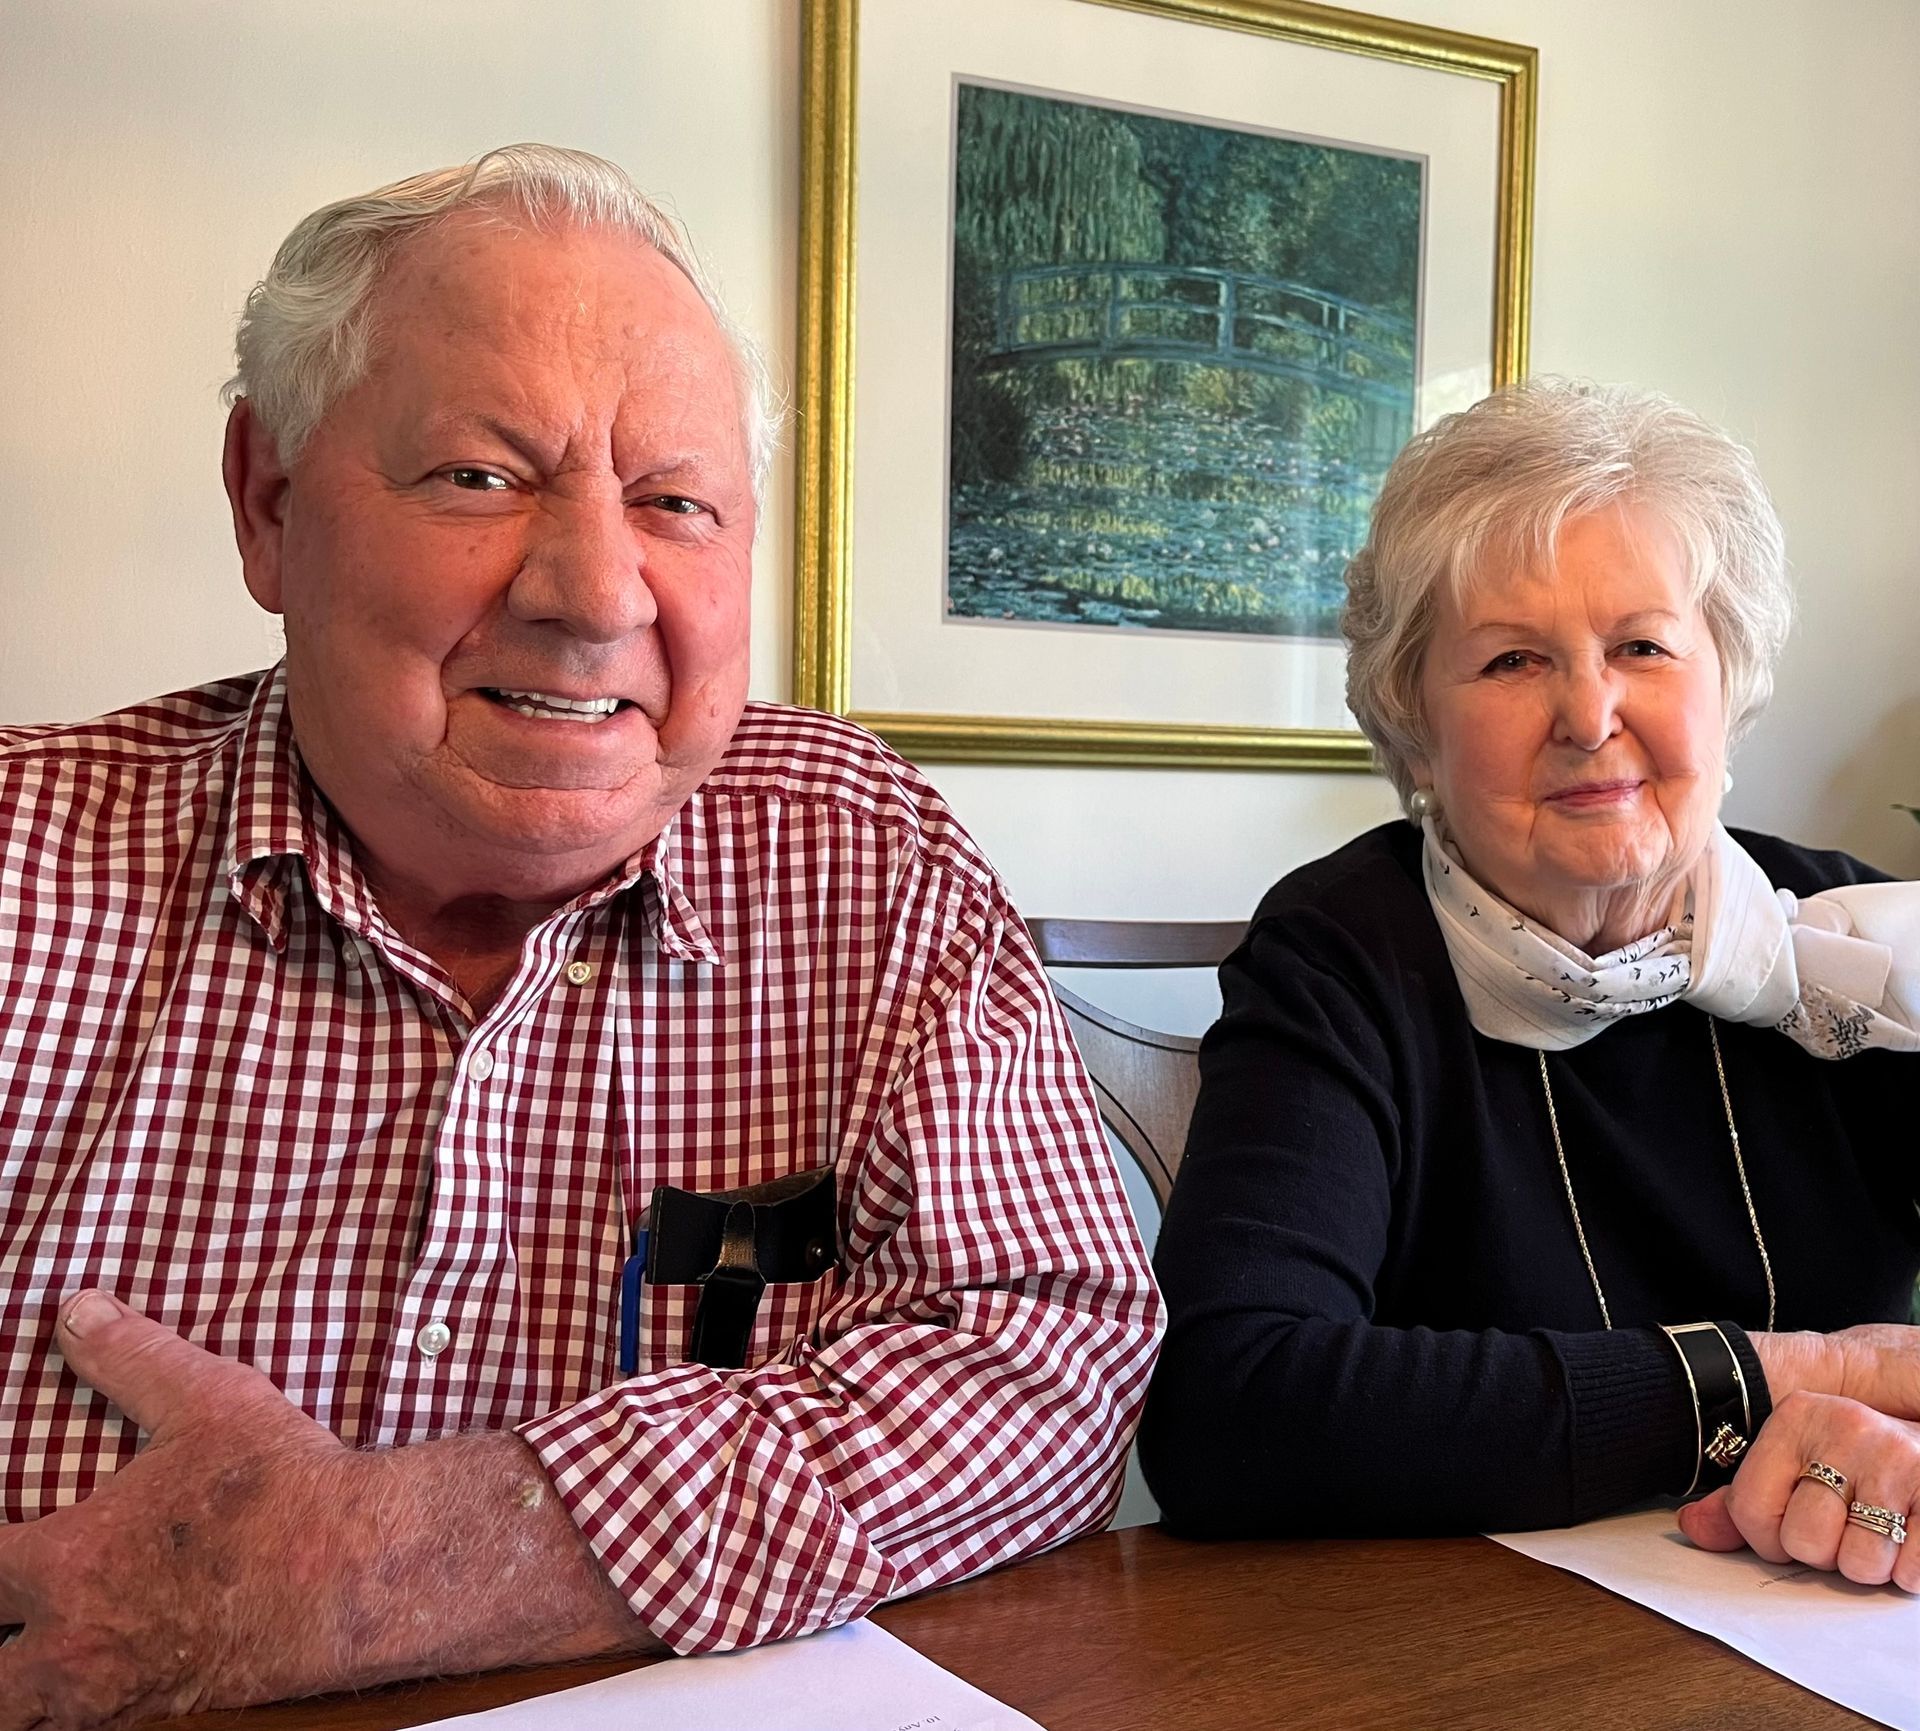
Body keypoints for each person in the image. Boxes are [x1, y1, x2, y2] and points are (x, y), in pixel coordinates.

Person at [0, 145, 1162, 1722]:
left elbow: (1054, 1356)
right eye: (480, 477)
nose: (595, 592)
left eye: (676, 502)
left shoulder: (861, 852)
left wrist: (375, 1562)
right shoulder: (27, 861)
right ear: (267, 504)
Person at [1141, 379, 1920, 1591]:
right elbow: (1230, 1409)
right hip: (1470, 1641)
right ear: (1414, 720)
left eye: (1643, 647)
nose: (1589, 712)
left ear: (1729, 675)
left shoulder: (1862, 952)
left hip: (1836, 1627)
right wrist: (1791, 1380)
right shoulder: (1344, 953)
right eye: (1512, 660)